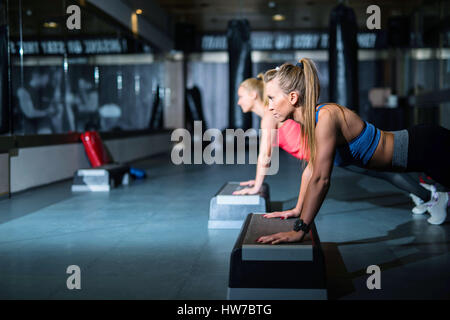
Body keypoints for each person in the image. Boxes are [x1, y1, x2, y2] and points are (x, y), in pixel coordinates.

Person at [254, 59, 450, 245]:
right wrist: (297, 209)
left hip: (428, 146)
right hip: (418, 152)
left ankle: (436, 199)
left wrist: (300, 230)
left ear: (293, 97)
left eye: (271, 98)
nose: (269, 107)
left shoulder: (326, 117)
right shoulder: (312, 123)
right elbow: (310, 170)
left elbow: (321, 179)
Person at [234, 74, 439, 218]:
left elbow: (265, 156)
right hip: (323, 155)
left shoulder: (269, 117)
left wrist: (257, 186)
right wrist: (257, 182)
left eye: (241, 96)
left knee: (384, 170)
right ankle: (424, 192)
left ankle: (429, 195)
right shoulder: (272, 115)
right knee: (382, 171)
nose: (238, 102)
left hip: (329, 151)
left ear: (253, 95)